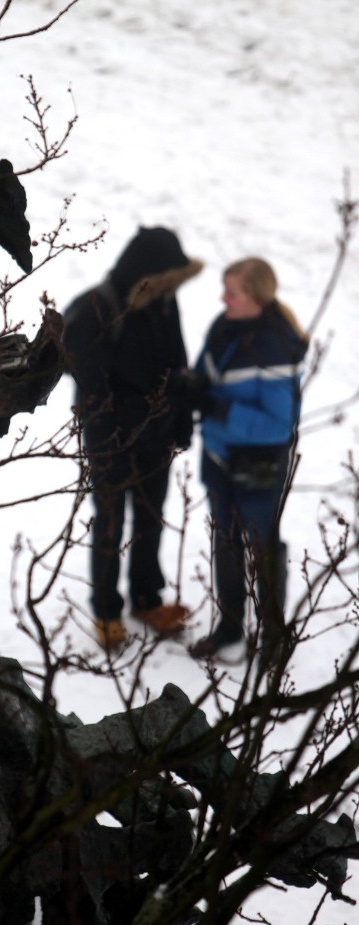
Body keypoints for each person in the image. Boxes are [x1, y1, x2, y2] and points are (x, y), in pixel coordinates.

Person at [62, 226, 203, 651]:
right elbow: (83, 374)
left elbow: (177, 363)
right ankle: (107, 611)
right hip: (112, 440)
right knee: (109, 523)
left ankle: (146, 599)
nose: (172, 287)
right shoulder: (96, 308)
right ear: (147, 272)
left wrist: (181, 422)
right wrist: (122, 420)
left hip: (156, 438)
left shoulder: (163, 302)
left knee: (150, 518)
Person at [179, 257, 309, 660]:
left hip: (257, 469)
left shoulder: (274, 344)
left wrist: (215, 408)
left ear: (254, 297)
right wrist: (188, 388)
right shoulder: (225, 325)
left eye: (231, 292)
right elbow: (207, 373)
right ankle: (230, 626)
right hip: (219, 458)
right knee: (226, 540)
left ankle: (274, 636)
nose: (223, 298)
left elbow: (278, 424)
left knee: (261, 544)